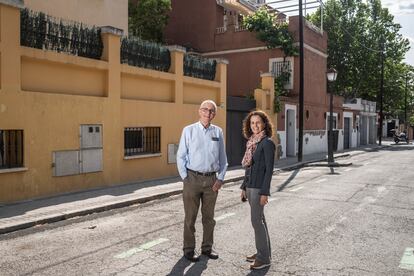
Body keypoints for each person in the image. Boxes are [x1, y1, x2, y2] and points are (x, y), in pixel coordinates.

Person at [176, 100, 228, 262]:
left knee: (209, 218)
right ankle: (189, 249)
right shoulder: (189, 130)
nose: (208, 113)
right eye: (205, 109)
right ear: (199, 111)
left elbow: (223, 158)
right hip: (192, 178)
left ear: (214, 114)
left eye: (212, 111)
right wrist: (185, 178)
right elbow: (181, 156)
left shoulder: (218, 132)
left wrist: (220, 178)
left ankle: (207, 248)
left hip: (212, 180)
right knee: (190, 217)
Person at [240, 110, 275, 270]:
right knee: (260, 220)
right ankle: (263, 253)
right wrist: (243, 187)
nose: (255, 125)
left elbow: (269, 170)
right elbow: (248, 167)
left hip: (259, 188)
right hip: (250, 186)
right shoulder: (252, 142)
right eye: (252, 123)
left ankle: (263, 258)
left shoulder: (267, 143)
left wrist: (264, 192)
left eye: (258, 122)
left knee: (256, 221)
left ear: (264, 124)